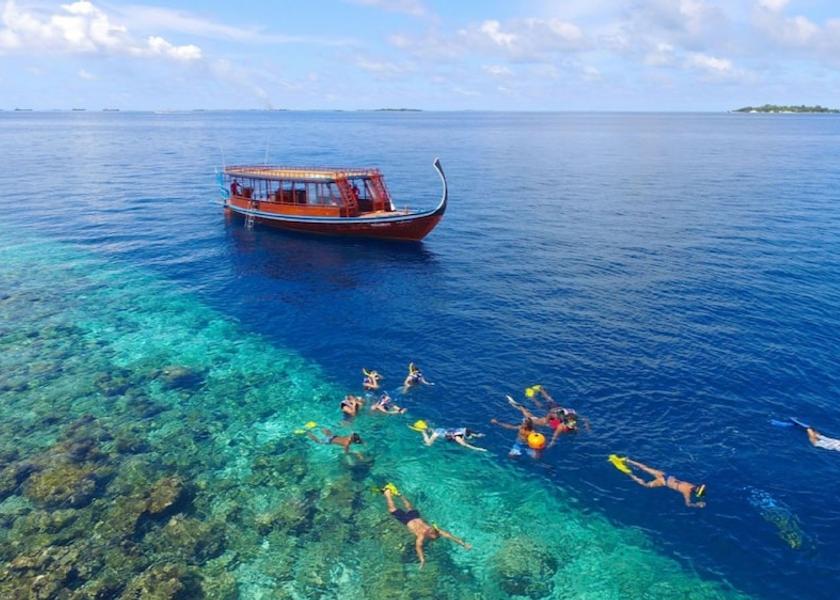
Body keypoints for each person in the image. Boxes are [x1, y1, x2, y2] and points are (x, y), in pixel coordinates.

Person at [382, 485, 471, 568]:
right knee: (393, 509)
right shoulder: (421, 536)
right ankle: (388, 493)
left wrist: (464, 544)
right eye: (434, 538)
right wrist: (422, 560)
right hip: (407, 520)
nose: (435, 538)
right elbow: (418, 547)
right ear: (429, 534)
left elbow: (452, 537)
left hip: (415, 517)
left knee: (409, 508)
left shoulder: (437, 531)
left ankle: (399, 494)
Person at [620, 458, 707, 508]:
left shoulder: (692, 485)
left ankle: (628, 460)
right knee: (646, 485)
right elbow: (687, 504)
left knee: (645, 468)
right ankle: (630, 474)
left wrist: (700, 496)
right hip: (663, 482)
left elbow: (700, 489)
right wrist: (697, 505)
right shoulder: (686, 492)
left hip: (666, 475)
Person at [506, 395, 587, 447]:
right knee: (530, 418)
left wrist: (587, 428)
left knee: (548, 403)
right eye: (571, 423)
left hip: (557, 415)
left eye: (573, 423)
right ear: (565, 422)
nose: (573, 425)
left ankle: (534, 396)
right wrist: (546, 422)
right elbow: (555, 437)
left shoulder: (573, 424)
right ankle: (519, 405)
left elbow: (583, 421)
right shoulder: (560, 427)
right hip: (549, 420)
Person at [422, 426, 486, 452]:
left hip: (442, 430)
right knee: (428, 444)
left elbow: (472, 433)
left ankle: (429, 429)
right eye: (469, 436)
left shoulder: (463, 429)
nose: (470, 437)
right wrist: (478, 449)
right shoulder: (458, 437)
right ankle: (423, 432)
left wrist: (478, 435)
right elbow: (466, 445)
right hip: (438, 433)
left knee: (438, 432)